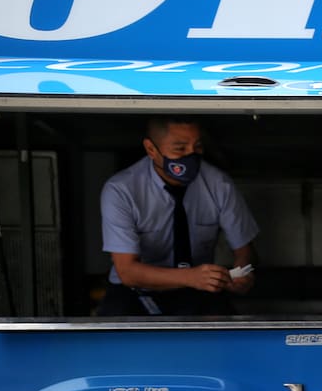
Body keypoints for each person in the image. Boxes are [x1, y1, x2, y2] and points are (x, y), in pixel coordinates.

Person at [98, 116, 258, 316]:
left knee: (229, 331)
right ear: (151, 149)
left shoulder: (219, 184)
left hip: (200, 289)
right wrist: (190, 276)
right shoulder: (121, 190)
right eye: (180, 149)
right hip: (134, 291)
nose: (191, 155)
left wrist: (242, 273)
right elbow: (127, 271)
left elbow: (245, 250)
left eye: (197, 147)